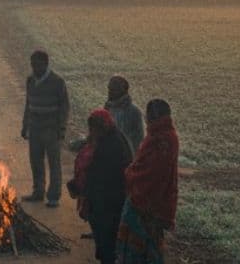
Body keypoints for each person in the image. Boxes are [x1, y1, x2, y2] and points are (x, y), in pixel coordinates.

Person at [116, 99, 180, 264]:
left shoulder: (161, 139)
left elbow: (151, 174)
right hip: (153, 202)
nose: (146, 118)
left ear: (154, 116)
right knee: (146, 245)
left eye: (149, 114)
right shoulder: (165, 135)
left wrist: (130, 173)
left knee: (140, 247)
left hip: (146, 203)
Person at [66, 108, 132, 264]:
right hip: (100, 198)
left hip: (109, 199)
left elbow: (98, 175)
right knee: (102, 234)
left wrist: (83, 190)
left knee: (106, 236)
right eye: (91, 128)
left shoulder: (113, 144)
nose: (92, 131)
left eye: (95, 128)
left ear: (103, 126)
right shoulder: (102, 138)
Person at [21, 49, 70, 207]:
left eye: (38, 65)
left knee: (53, 163)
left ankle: (54, 196)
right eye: (32, 64)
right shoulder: (30, 80)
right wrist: (25, 125)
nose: (35, 68)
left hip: (51, 128)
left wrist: (61, 129)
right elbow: (28, 104)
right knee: (35, 161)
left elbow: (65, 107)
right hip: (34, 127)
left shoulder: (57, 81)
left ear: (46, 64)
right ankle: (38, 192)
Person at [106, 74, 145, 156]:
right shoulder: (108, 107)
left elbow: (136, 141)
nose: (109, 92)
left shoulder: (133, 112)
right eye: (109, 88)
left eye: (113, 89)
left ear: (122, 91)